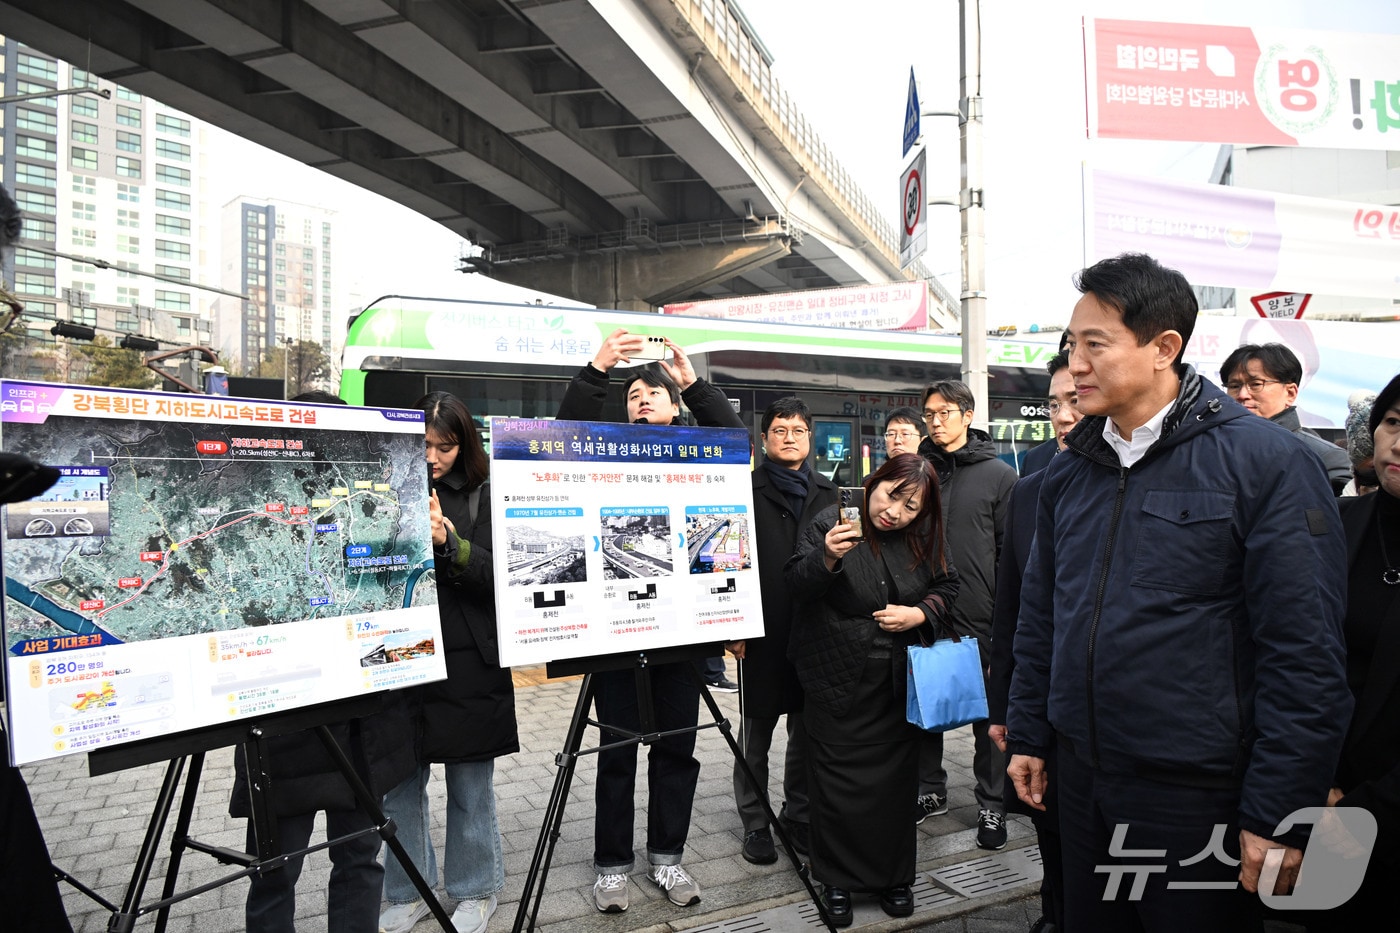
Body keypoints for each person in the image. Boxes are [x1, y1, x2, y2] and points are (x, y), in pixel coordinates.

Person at [1006, 253, 1351, 932]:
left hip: (1197, 797)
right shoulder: (1069, 475)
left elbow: (1304, 654)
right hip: (1081, 783)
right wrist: (1029, 732)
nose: (1074, 365)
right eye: (1071, 346)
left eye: (1095, 345)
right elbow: (1043, 616)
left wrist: (1276, 813)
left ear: (1165, 347)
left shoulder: (1268, 464)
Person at [557, 329, 745, 914]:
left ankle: (668, 858)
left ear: (673, 406)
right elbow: (561, 434)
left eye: (654, 393)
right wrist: (596, 370)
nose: (641, 400)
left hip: (682, 635)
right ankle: (611, 867)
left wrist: (693, 383)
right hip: (615, 630)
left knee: (676, 749)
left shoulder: (700, 450)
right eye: (633, 393)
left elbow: (735, 439)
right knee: (616, 750)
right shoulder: (603, 449)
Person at [229, 390, 418, 933]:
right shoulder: (260, 515)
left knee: (348, 862)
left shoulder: (379, 509)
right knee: (276, 871)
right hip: (285, 730)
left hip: (357, 728)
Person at [786, 453, 959, 927]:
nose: (895, 512)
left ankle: (894, 878)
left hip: (896, 684)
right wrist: (827, 557)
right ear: (873, 483)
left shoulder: (925, 536)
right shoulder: (830, 520)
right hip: (835, 679)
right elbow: (795, 585)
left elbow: (950, 585)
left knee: (894, 788)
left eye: (910, 506)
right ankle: (836, 881)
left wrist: (919, 614)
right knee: (834, 787)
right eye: (890, 495)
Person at [378, 392, 517, 933]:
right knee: (399, 784)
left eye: (445, 446)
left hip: (466, 662)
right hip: (396, 657)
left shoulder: (486, 494)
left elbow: (501, 577)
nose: (433, 457)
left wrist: (448, 542)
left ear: (465, 445)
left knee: (468, 784)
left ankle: (476, 888)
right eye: (424, 445)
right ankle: (406, 890)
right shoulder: (383, 491)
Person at [985, 350, 1081, 933]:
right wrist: (1004, 711)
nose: (1064, 415)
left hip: (1105, 715)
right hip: (1039, 703)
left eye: (1075, 400)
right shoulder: (1029, 491)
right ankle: (1052, 912)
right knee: (1047, 820)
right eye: (1054, 403)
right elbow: (1012, 613)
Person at [1310, 372, 1400, 930]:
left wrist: (1367, 810)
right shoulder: (1339, 526)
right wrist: (1317, 786)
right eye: (1394, 423)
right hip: (1326, 798)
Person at [729, 396, 836, 866]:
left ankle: (799, 814)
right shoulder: (743, 491)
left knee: (806, 730)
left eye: (797, 430)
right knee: (756, 731)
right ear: (764, 439)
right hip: (762, 630)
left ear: (809, 438)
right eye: (779, 430)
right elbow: (726, 562)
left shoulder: (830, 494)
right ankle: (755, 822)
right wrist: (732, 624)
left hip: (814, 631)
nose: (788, 437)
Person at [914, 379, 1017, 849]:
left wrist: (1006, 622)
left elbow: (1010, 556)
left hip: (982, 615)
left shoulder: (999, 476)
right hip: (927, 612)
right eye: (929, 414)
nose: (935, 421)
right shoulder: (916, 472)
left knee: (989, 720)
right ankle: (930, 791)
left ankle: (992, 807)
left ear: (968, 415)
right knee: (924, 711)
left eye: (945, 412)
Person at [1219, 343, 1351, 495]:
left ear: (1290, 393)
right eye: (1234, 386)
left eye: (1255, 384)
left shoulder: (1323, 457)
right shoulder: (1212, 447)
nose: (1242, 394)